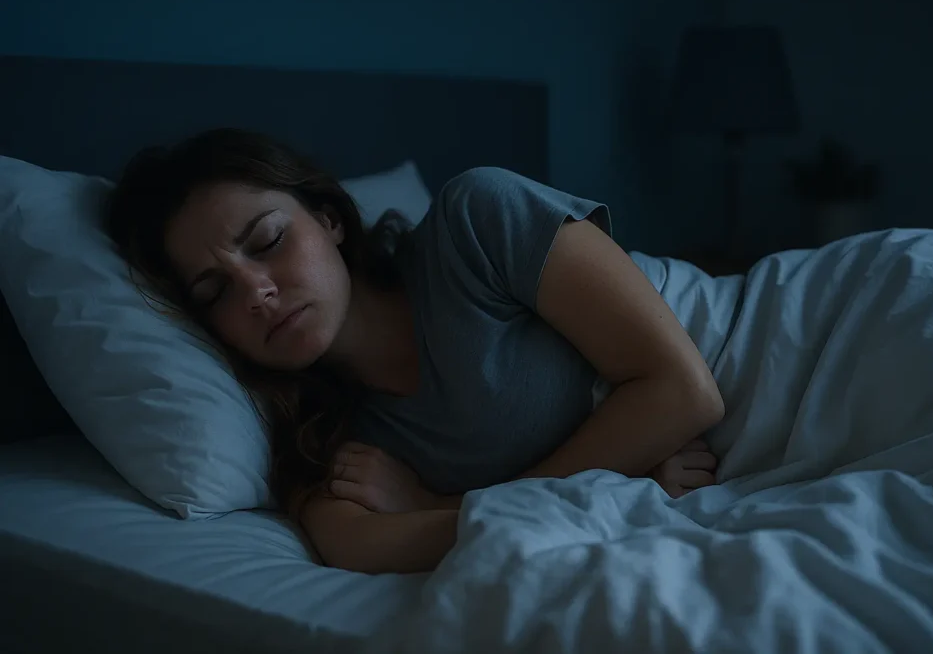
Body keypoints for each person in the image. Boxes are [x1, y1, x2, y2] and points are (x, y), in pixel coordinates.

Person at [105, 129, 726, 574]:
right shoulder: (323, 442)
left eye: (268, 240)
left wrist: (440, 507)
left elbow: (684, 392)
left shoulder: (475, 221)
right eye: (215, 292)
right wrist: (620, 485)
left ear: (329, 220)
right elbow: (362, 547)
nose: (256, 293)